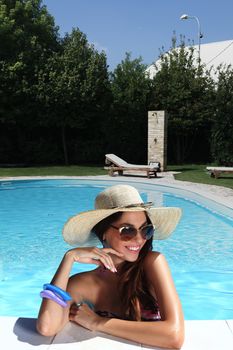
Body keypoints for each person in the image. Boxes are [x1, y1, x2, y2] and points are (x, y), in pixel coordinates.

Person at [37, 184, 184, 349]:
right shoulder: (81, 284)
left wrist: (97, 322)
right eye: (127, 230)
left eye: (145, 230)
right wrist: (68, 258)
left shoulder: (152, 263)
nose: (139, 239)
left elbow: (174, 336)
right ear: (104, 232)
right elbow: (47, 327)